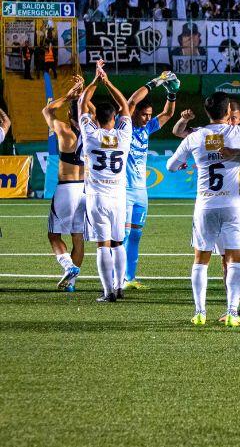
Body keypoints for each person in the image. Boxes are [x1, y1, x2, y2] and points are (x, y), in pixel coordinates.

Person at [166, 92, 240, 326]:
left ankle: (200, 312)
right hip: (233, 206)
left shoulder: (197, 136)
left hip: (206, 205)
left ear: (207, 111)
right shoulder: (238, 133)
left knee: (200, 260)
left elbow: (170, 166)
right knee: (234, 260)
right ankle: (232, 312)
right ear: (228, 111)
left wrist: (183, 164)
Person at [78, 61, 132, 303]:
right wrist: (108, 81)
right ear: (114, 118)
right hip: (119, 196)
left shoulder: (91, 134)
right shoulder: (123, 136)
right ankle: (120, 287)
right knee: (119, 242)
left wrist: (94, 81)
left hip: (97, 197)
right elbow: (125, 106)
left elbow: (81, 104)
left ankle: (108, 291)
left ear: (96, 118)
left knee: (103, 244)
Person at [120, 71, 178, 289]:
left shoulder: (147, 129)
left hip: (141, 192)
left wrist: (172, 93)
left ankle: (130, 279)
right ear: (134, 114)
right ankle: (116, 278)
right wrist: (156, 82)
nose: (147, 118)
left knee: (135, 236)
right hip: (124, 190)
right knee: (123, 235)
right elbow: (132, 101)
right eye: (143, 114)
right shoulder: (123, 126)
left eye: (148, 115)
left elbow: (167, 114)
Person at [42, 75, 94, 292]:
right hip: (86, 189)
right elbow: (91, 111)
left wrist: (69, 95)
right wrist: (83, 95)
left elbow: (47, 111)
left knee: (53, 235)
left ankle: (68, 266)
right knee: (78, 237)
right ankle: (71, 283)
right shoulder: (93, 131)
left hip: (66, 188)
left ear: (70, 113)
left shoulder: (64, 130)